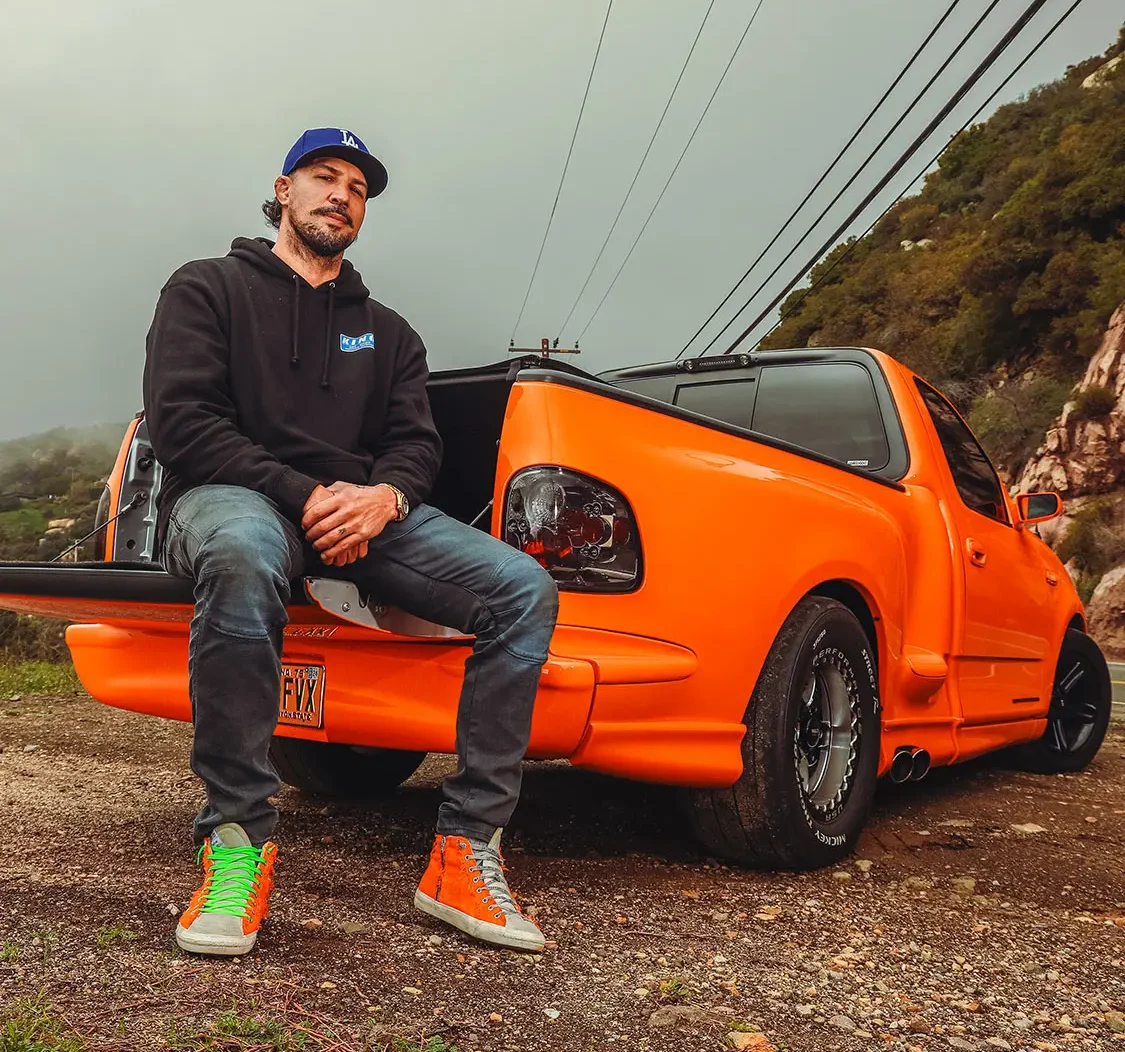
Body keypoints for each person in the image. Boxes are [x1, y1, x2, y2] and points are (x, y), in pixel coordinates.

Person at [142, 127, 559, 957]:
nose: (341, 195)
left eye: (358, 188)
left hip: (361, 516)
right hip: (234, 497)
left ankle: (465, 852)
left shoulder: (390, 333)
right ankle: (236, 842)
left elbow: (415, 445)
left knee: (522, 591)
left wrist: (385, 497)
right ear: (283, 190)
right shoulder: (206, 288)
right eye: (324, 176)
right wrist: (309, 495)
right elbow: (184, 424)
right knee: (242, 555)